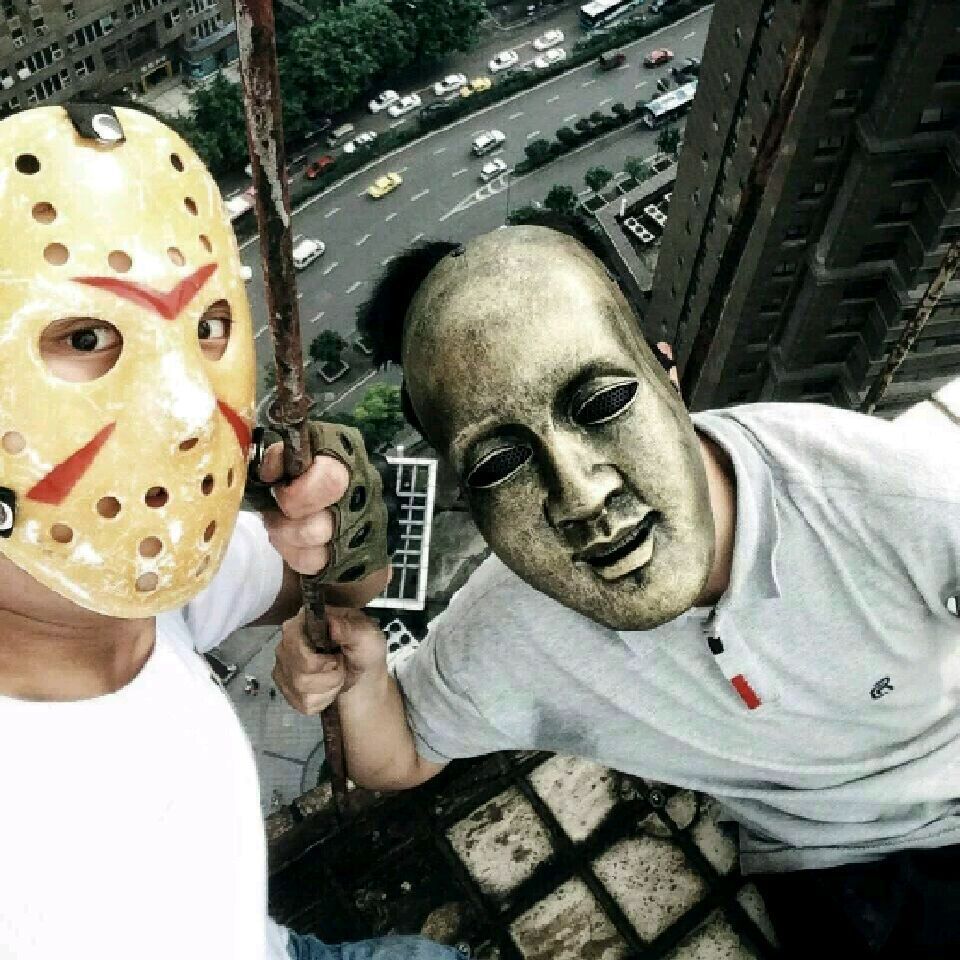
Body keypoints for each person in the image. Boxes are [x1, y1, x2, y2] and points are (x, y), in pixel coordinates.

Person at [273, 216, 960, 959]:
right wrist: (357, 672)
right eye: (501, 464)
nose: (580, 494)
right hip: (836, 864)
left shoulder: (883, 495)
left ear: (667, 374)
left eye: (600, 405)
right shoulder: (516, 620)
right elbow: (399, 752)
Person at [0, 103, 463, 960]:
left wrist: (333, 514)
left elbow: (338, 582)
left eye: (206, 326)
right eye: (86, 336)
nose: (187, 410)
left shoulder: (128, 582)